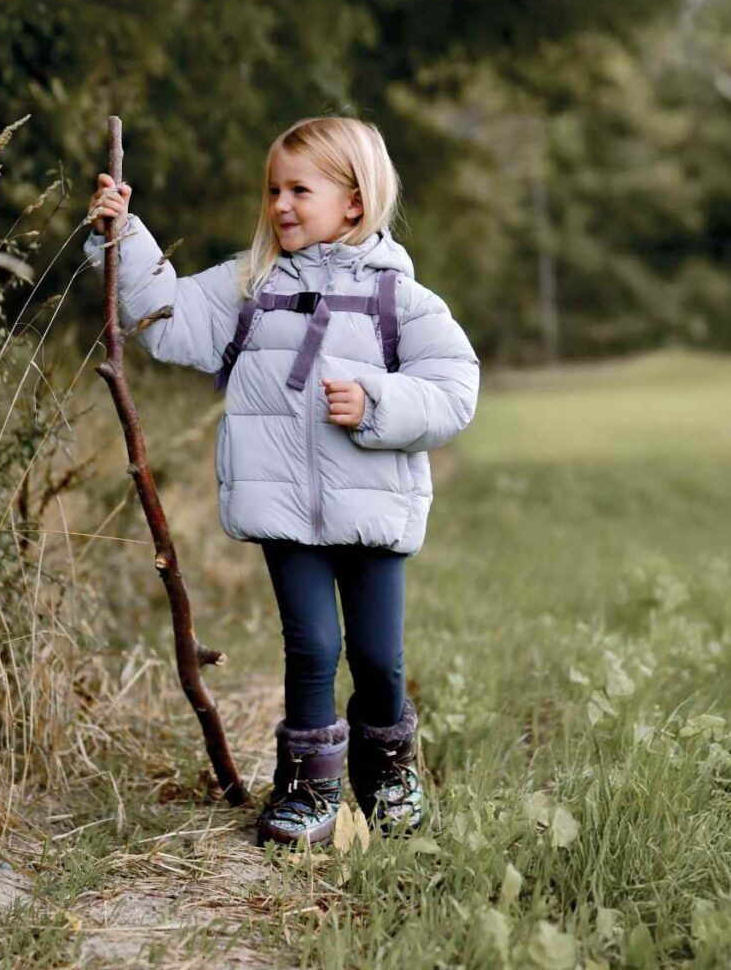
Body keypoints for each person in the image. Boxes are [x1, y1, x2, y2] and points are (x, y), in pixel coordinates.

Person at [84, 115, 480, 848]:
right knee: (311, 646)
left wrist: (378, 403)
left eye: (299, 189)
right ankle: (308, 789)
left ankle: (387, 772)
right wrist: (123, 238)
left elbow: (455, 389)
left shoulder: (400, 300)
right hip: (282, 508)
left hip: (374, 512)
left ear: (354, 201)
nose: (280, 205)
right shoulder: (251, 285)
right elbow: (170, 321)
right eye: (273, 189)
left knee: (376, 654)